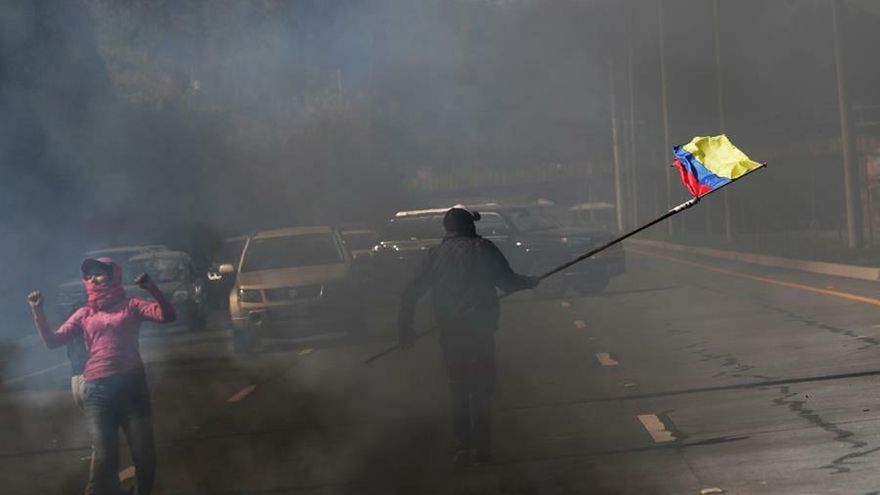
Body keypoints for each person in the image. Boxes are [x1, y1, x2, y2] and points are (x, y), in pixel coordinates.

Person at [398, 206, 538, 467]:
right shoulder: (483, 249)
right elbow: (507, 282)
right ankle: (481, 449)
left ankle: (463, 447)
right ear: (470, 226)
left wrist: (405, 329)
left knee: (459, 390)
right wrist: (530, 282)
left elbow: (410, 293)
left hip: (451, 334)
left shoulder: (434, 255)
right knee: (482, 391)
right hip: (480, 332)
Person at [28, 257, 176, 495]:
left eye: (99, 273)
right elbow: (53, 341)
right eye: (89, 275)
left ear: (114, 276)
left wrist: (152, 289)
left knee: (144, 455)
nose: (93, 279)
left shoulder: (131, 305)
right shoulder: (84, 313)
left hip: (132, 387)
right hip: (97, 390)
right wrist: (38, 312)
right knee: (106, 458)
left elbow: (167, 315)